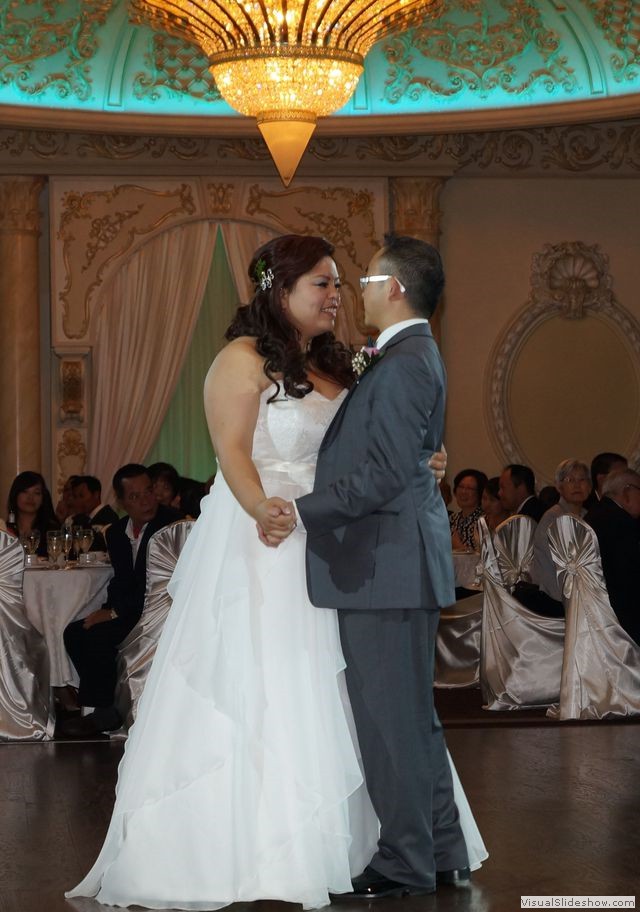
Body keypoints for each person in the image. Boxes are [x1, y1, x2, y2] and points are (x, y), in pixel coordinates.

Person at [66, 234, 485, 909]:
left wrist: (426, 459)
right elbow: (232, 450)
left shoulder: (341, 363)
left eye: (341, 284)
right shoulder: (239, 358)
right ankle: (271, 844)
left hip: (332, 543)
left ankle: (384, 844)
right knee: (271, 687)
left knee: (362, 700)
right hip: (265, 541)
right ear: (278, 288)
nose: (336, 296)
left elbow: (374, 444)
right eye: (321, 283)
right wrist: (263, 506)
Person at [262, 234, 484, 898]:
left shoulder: (406, 361)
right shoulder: (408, 356)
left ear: (393, 290)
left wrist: (303, 512)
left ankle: (404, 861)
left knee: (391, 722)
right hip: (394, 565)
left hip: (384, 566)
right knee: (414, 719)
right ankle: (442, 852)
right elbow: (407, 459)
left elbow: (384, 473)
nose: (351, 292)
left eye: (361, 282)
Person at [61, 464, 180, 736]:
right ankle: (103, 706)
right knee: (75, 633)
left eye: (148, 491)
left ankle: (103, 711)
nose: (146, 500)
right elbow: (123, 580)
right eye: (135, 496)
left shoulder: (171, 525)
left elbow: (156, 584)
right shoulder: (116, 533)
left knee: (99, 637)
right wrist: (108, 609)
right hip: (130, 610)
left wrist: (113, 613)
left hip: (160, 613)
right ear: (122, 502)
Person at [515, 459, 591, 618]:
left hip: (578, 591)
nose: (577, 485)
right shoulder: (553, 517)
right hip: (553, 596)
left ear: (590, 486)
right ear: (559, 486)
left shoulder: (587, 516)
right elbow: (563, 566)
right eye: (570, 480)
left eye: (582, 479)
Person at [585, 468, 640, 645]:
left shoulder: (593, 515)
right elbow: (631, 576)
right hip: (622, 619)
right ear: (627, 492)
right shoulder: (621, 522)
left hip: (595, 614)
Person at [6, 470, 58, 556]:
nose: (30, 497)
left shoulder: (52, 530)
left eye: (36, 493)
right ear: (15, 495)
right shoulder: (5, 530)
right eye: (25, 492)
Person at [449, 468, 487, 550]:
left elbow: (485, 558)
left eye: (470, 488)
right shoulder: (452, 518)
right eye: (461, 487)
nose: (463, 492)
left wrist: (459, 547)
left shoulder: (484, 521)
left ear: (480, 493)